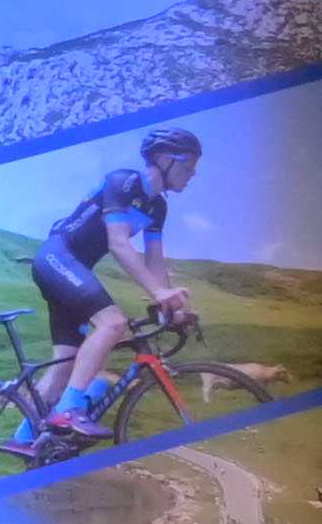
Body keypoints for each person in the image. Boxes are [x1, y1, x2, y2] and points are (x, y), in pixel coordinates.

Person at [27, 128, 200, 433]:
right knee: (112, 323)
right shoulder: (123, 182)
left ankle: (24, 442)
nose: (192, 175)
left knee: (63, 369)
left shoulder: (158, 207)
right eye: (188, 166)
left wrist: (170, 307)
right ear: (164, 159)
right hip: (57, 258)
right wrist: (158, 292)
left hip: (73, 271)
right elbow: (118, 243)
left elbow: (154, 260)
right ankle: (66, 411)